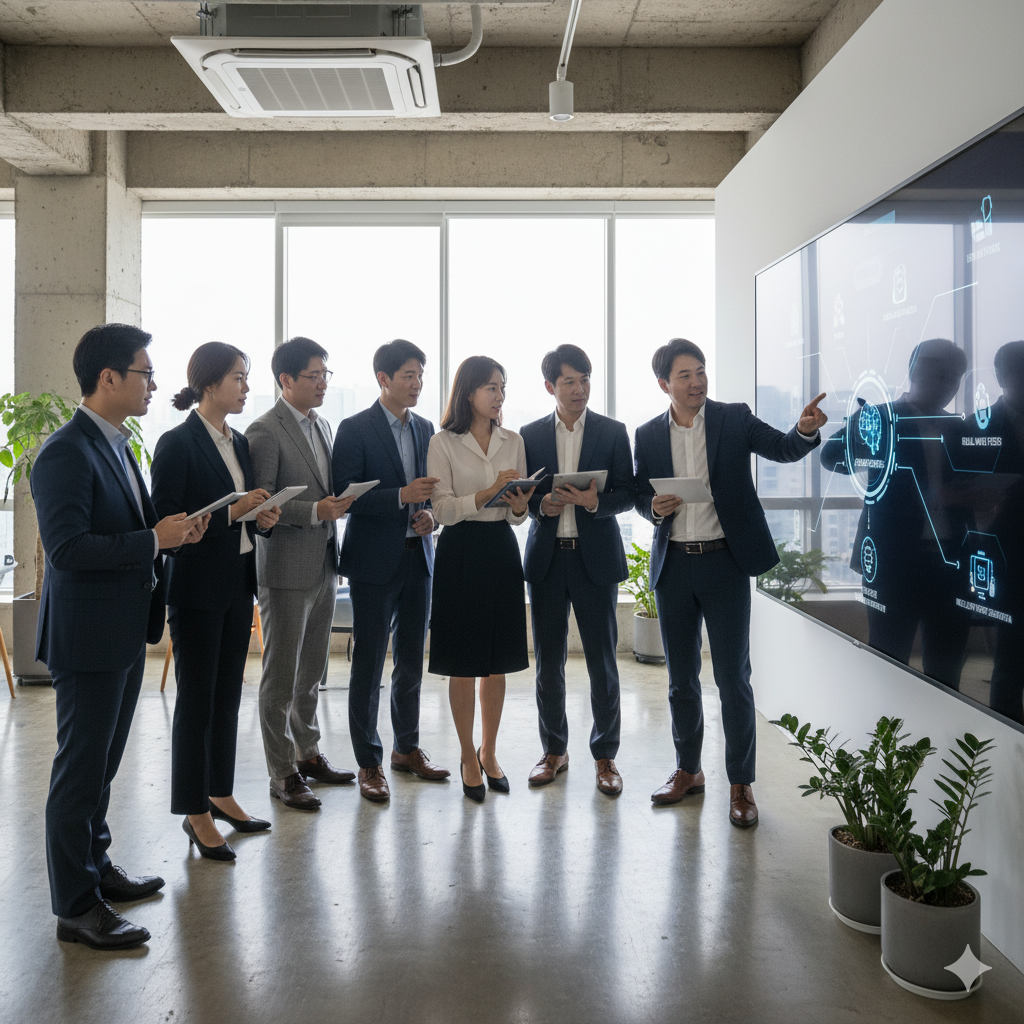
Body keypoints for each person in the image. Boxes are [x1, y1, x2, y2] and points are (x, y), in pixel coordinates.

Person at [32, 323, 208, 950]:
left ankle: (96, 869)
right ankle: (76, 907)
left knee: (101, 768)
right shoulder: (64, 452)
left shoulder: (117, 443)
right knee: (80, 770)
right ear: (108, 378)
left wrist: (167, 533)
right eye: (145, 373)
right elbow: (69, 549)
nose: (156, 384)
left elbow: (127, 533)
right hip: (87, 638)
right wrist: (151, 540)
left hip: (124, 630)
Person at [634, 338, 825, 826]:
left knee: (732, 679)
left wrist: (802, 432)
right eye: (685, 375)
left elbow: (781, 448)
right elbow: (641, 493)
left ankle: (741, 784)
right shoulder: (648, 435)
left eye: (701, 371)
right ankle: (688, 770)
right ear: (664, 384)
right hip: (673, 565)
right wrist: (652, 508)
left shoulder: (733, 418)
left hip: (725, 563)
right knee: (680, 680)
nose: (697, 381)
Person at [151, 342, 282, 860]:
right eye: (238, 378)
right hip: (197, 589)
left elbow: (243, 511)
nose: (247, 387)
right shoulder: (176, 443)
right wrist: (234, 514)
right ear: (208, 385)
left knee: (228, 696)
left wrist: (262, 517)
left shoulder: (240, 444)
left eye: (247, 378)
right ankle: (193, 809)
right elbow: (167, 523)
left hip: (236, 583)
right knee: (196, 701)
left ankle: (220, 791)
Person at [333, 339, 450, 802]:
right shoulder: (355, 428)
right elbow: (344, 495)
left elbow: (435, 494)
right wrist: (402, 497)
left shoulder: (426, 429)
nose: (417, 383)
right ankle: (368, 761)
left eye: (420, 374)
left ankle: (407, 747)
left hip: (417, 556)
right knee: (368, 661)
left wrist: (431, 517)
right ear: (383, 379)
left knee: (409, 660)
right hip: (372, 561)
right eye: (408, 375)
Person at [819, 338, 971, 689]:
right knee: (888, 664)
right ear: (915, 372)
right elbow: (831, 458)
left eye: (955, 378)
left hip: (952, 564)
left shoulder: (959, 428)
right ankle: (887, 741)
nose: (947, 385)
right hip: (894, 562)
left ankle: (941, 739)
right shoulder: (882, 416)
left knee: (947, 672)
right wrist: (866, 437)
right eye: (940, 374)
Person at [245, 337, 357, 811]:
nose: (322, 383)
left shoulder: (322, 424)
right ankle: (281, 771)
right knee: (281, 675)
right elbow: (261, 504)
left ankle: (307, 754)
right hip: (286, 568)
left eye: (325, 375)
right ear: (285, 380)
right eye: (313, 376)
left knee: (312, 669)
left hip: (324, 562)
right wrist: (316, 511)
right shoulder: (265, 431)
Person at [520, 344, 636, 795]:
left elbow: (628, 493)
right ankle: (554, 751)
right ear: (551, 386)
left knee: (603, 663)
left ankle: (605, 756)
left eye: (585, 379)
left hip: (596, 561)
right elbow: (522, 495)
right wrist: (541, 504)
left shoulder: (612, 431)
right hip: (549, 559)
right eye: (569, 381)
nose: (579, 389)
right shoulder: (529, 435)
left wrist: (595, 502)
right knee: (548, 664)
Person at [426, 356, 535, 802]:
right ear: (468, 391)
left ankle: (490, 751)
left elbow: (517, 517)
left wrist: (519, 502)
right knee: (463, 661)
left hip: (500, 552)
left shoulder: (514, 440)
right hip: (459, 551)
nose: (499, 395)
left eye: (503, 387)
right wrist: (491, 492)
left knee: (498, 659)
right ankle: (468, 755)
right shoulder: (443, 442)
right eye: (491, 387)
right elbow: (444, 510)